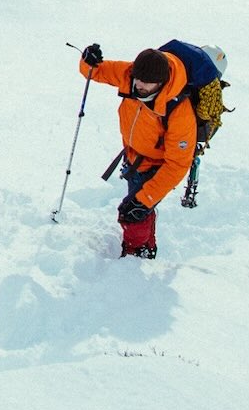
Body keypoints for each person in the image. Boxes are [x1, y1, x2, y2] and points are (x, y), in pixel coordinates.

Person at [78, 43, 198, 258]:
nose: (139, 86)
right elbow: (93, 72)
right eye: (137, 80)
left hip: (158, 167)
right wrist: (88, 60)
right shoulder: (131, 75)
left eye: (146, 84)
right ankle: (146, 241)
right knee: (138, 207)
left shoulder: (180, 113)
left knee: (131, 212)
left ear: (161, 83)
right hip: (133, 157)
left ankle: (136, 252)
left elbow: (178, 165)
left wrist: (146, 199)